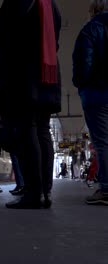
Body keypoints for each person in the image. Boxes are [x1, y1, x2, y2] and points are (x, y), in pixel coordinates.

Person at [0, 0, 61, 209]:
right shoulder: (51, 4)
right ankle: (45, 191)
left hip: (24, 73)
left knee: (26, 128)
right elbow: (54, 42)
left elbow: (2, 33)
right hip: (48, 71)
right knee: (42, 130)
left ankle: (33, 193)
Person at [73, 0, 108, 205]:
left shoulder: (91, 29)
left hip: (97, 93)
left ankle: (105, 189)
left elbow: (83, 62)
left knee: (103, 142)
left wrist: (80, 83)